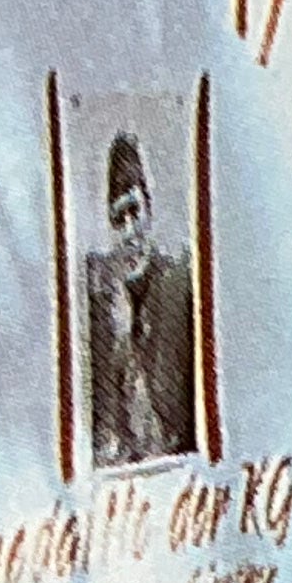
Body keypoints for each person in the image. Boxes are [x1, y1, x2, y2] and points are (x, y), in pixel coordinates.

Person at [85, 129, 200, 467]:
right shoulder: (101, 297)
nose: (130, 229)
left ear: (149, 208)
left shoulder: (179, 281)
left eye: (135, 211)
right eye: (118, 219)